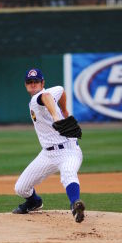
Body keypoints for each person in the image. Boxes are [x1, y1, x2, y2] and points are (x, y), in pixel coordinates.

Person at [13, 68, 85, 222]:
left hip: (69, 150)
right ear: (26, 85)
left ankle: (75, 204)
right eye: (30, 82)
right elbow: (61, 90)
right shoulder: (47, 94)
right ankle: (34, 201)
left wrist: (58, 114)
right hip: (47, 154)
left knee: (68, 173)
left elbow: (46, 96)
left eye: (36, 81)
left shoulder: (40, 97)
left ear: (42, 83)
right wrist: (64, 110)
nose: (33, 84)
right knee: (20, 188)